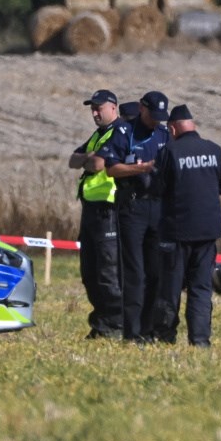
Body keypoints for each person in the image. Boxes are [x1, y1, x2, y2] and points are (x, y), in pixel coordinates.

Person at [151, 104, 221, 347]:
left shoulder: (170, 152)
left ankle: (165, 337)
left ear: (173, 128)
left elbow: (157, 188)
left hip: (176, 233)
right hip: (207, 233)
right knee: (201, 289)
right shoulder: (214, 150)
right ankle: (200, 339)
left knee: (170, 288)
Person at [107, 91, 171, 342]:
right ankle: (132, 332)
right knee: (135, 273)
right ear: (142, 109)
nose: (156, 120)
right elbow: (111, 168)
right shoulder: (124, 132)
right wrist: (140, 168)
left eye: (160, 117)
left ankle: (149, 328)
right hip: (133, 208)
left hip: (158, 208)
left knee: (155, 273)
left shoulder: (164, 134)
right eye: (152, 115)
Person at [67, 89, 129, 339]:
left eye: (99, 108)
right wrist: (88, 157)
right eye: (92, 108)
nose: (94, 113)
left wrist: (89, 159)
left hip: (109, 209)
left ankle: (115, 324)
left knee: (108, 272)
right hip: (91, 211)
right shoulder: (98, 135)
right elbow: (73, 160)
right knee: (89, 272)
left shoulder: (119, 133)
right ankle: (101, 322)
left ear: (113, 108)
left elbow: (97, 164)